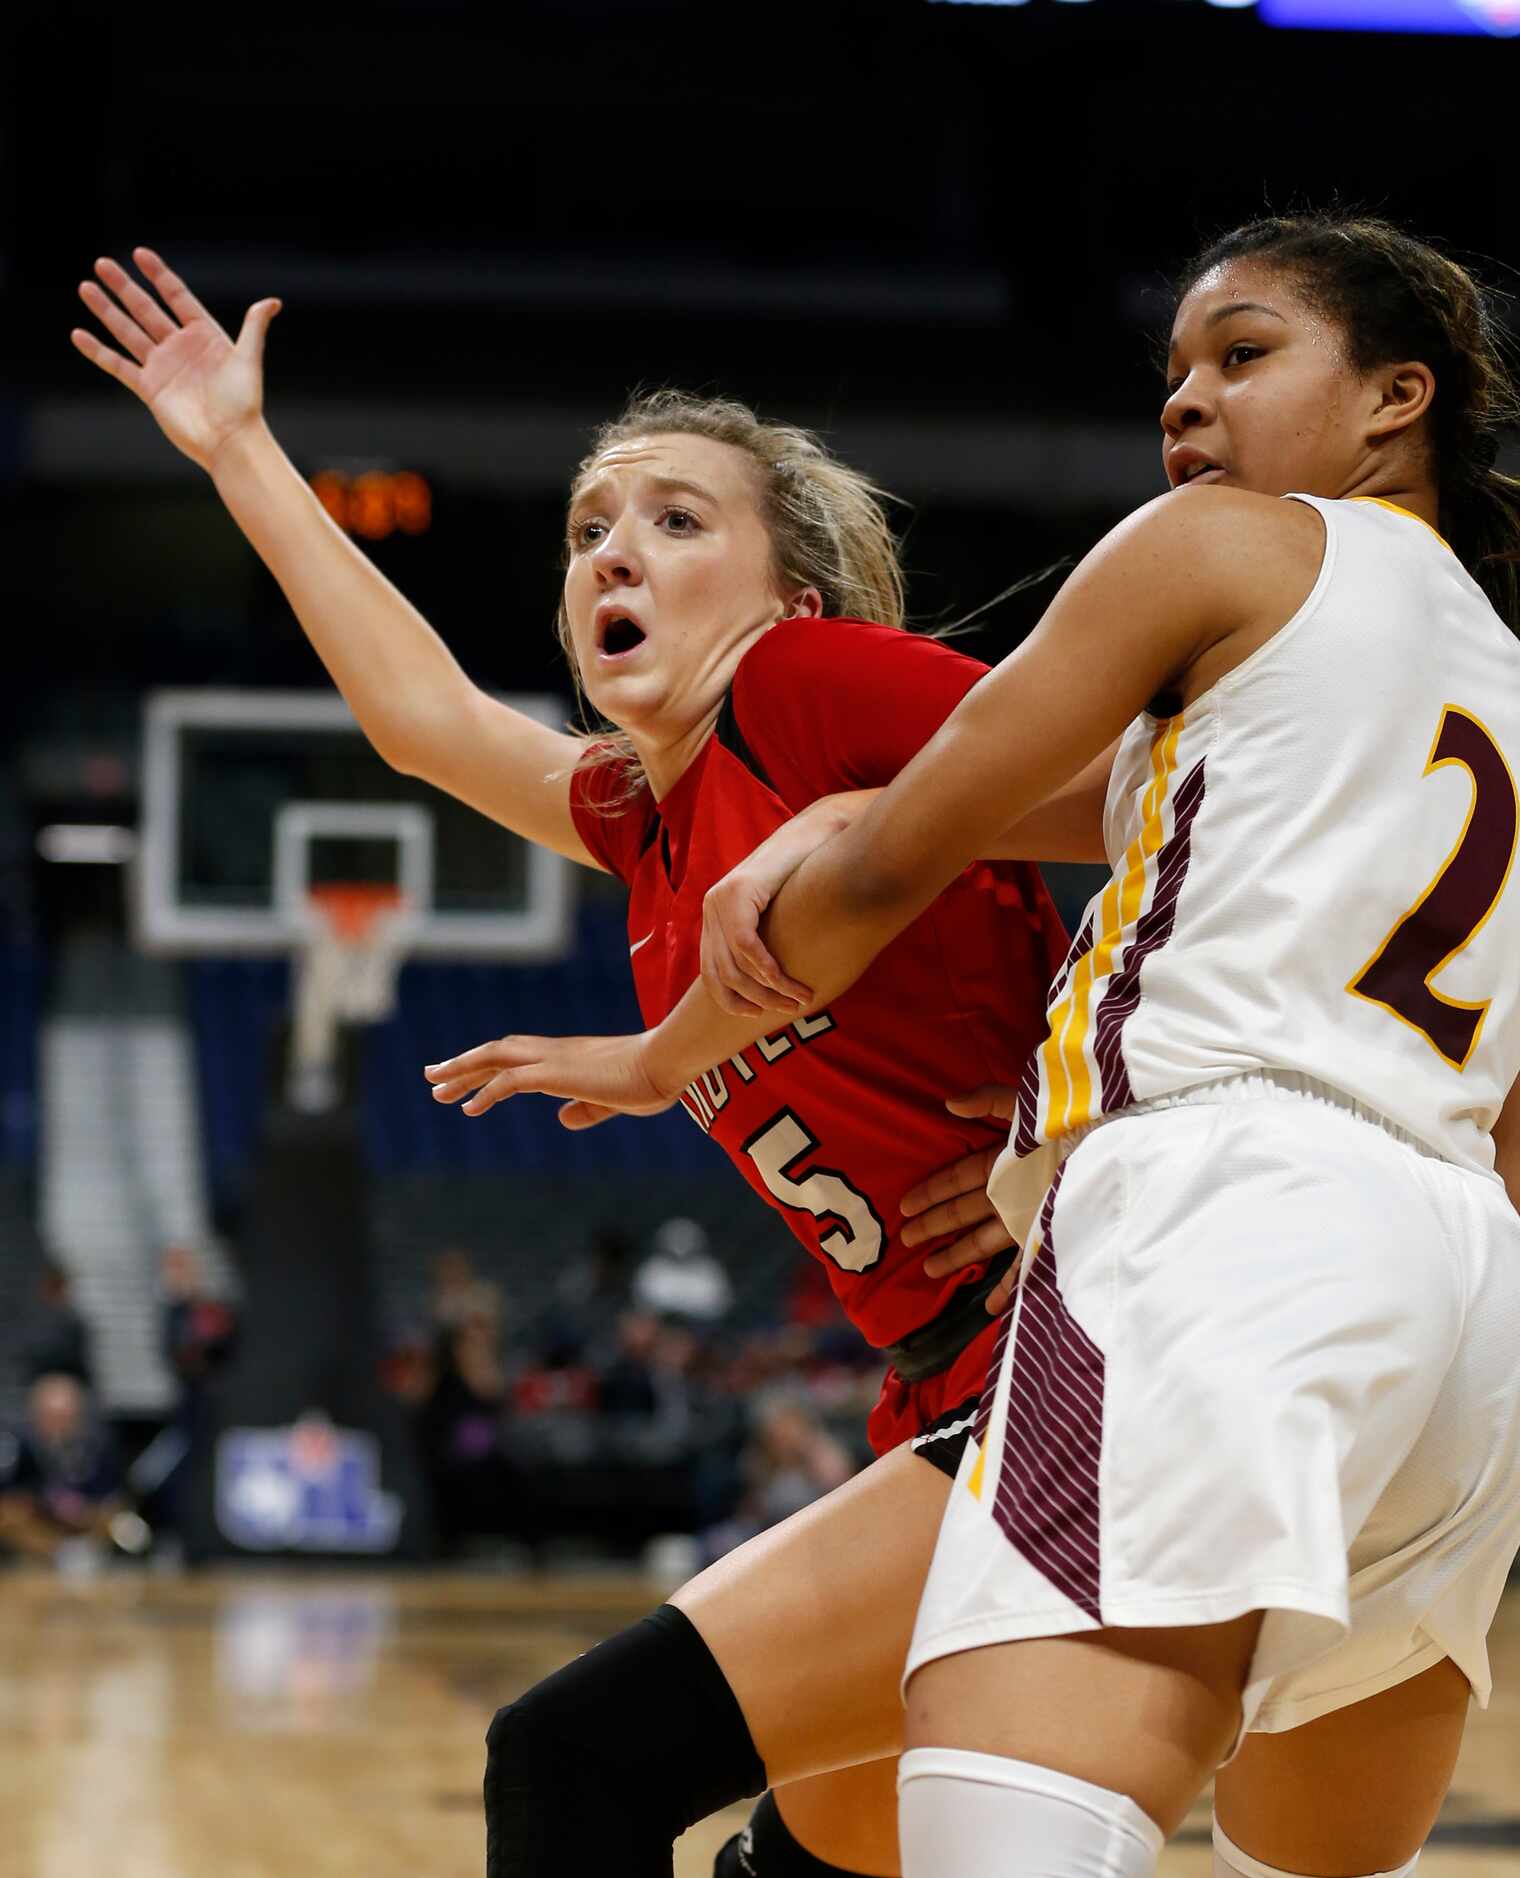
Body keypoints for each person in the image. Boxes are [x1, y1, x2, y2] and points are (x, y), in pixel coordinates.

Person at [434, 212, 1520, 1878]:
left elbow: (872, 880)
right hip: (1462, 1288)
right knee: (1307, 1847)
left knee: (985, 1822)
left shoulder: (1217, 546)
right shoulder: (1487, 671)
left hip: (1230, 1209)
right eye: (1175, 375)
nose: (1186, 407)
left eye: (1241, 356)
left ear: (1397, 398)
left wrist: (700, 1004)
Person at [71, 254, 1085, 1878]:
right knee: (816, 1852)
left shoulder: (811, 684)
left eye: (680, 518)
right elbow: (425, 720)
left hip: (1074, 1345)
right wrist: (238, 451)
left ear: (790, 591)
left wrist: (1092, 1112)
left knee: (569, 1765)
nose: (617, 546)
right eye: (591, 526)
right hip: (943, 1386)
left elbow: (1165, 793)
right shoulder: (645, 822)